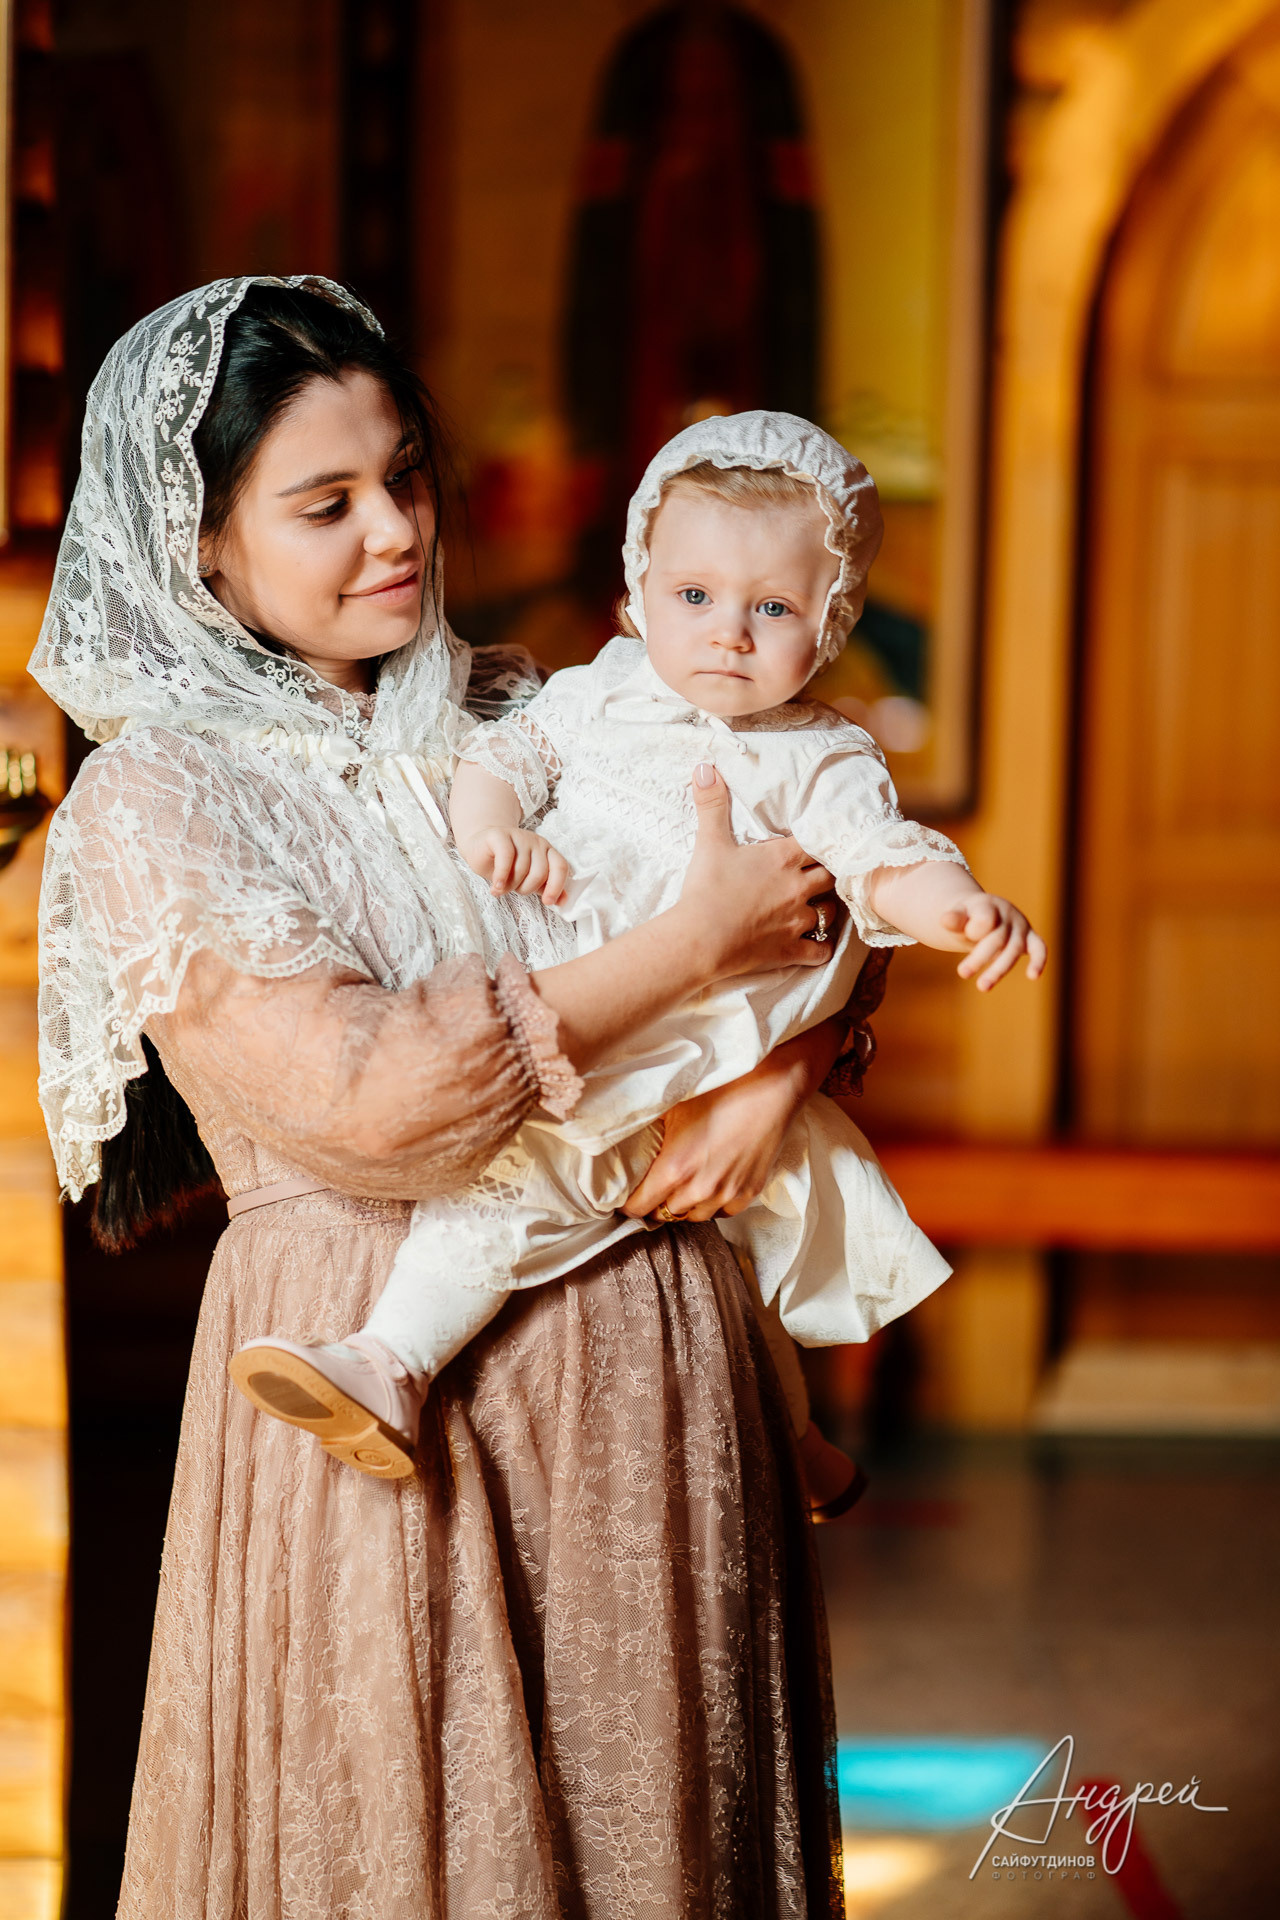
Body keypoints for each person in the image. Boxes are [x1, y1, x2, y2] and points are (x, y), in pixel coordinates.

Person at [32, 276, 864, 1918]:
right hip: (379, 1410)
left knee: (669, 1847)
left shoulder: (531, 711)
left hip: (663, 1388)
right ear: (200, 544)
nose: (394, 532)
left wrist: (783, 1069)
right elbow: (378, 1101)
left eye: (405, 476)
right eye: (326, 503)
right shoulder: (158, 796)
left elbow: (816, 880)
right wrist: (688, 945)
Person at [231, 411, 1045, 1491]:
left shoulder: (820, 758)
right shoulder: (593, 695)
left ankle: (389, 1362)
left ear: (831, 622)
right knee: (701, 1234)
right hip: (594, 1015)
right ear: (636, 592)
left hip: (688, 1047)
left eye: (773, 608)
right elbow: (507, 756)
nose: (727, 633)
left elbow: (879, 862)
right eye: (694, 598)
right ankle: (790, 1440)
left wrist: (964, 909)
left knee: (534, 1191)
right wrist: (494, 828)